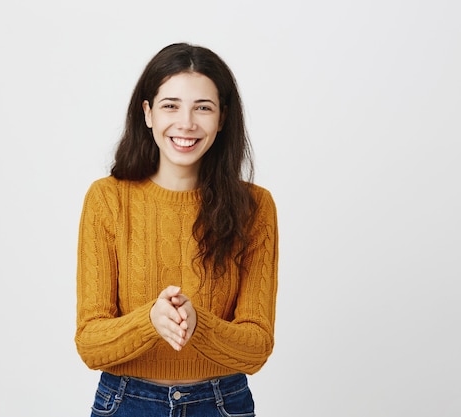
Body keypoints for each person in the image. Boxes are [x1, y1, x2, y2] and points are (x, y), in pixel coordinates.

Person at [75, 42, 279, 417]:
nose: (186, 123)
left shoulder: (256, 207)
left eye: (203, 107)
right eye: (170, 105)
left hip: (223, 403)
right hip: (125, 402)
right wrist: (148, 321)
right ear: (148, 113)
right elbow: (90, 344)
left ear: (222, 118)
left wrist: (198, 324)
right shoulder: (107, 199)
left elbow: (256, 348)